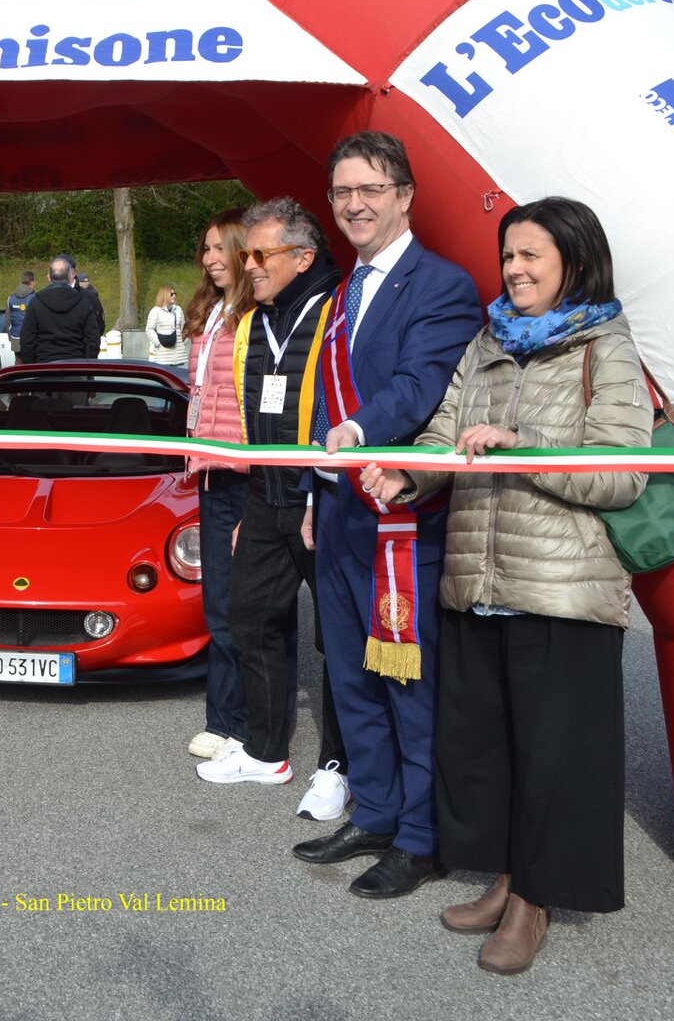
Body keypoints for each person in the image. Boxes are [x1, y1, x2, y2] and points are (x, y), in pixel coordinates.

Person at [359, 196, 649, 974]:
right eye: (508, 256)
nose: (514, 270)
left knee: (556, 757)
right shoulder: (488, 340)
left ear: (575, 263)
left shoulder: (607, 347)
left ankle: (536, 901)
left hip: (562, 589)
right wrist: (409, 476)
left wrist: (521, 445)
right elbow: (445, 433)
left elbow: (623, 474)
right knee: (491, 747)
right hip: (477, 579)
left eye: (530, 257)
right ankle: (511, 877)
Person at [290, 131, 482, 898]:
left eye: (370, 188)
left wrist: (361, 427)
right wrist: (314, 492)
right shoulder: (343, 292)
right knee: (351, 680)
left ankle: (421, 837)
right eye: (342, 192)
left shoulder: (443, 285)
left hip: (402, 517)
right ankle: (374, 811)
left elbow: (420, 384)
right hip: (340, 514)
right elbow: (321, 402)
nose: (355, 204)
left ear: (405, 195)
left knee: (409, 686)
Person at [194, 198, 350, 823]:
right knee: (249, 615)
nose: (249, 264)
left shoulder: (338, 310)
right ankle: (265, 751)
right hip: (264, 495)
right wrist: (249, 505)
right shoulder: (255, 320)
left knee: (338, 638)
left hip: (323, 498)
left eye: (261, 254)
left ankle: (338, 765)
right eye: (247, 253)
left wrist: (315, 490)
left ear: (302, 257)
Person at [183, 209, 257, 767]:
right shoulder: (209, 312)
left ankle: (244, 724)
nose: (209, 259)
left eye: (218, 248)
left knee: (243, 605)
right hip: (209, 471)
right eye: (204, 250)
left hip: (245, 474)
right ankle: (223, 718)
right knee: (218, 603)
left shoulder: (256, 315)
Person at [23, 255, 102, 363]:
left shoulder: (36, 303)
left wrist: (32, 367)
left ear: (49, 277)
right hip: (76, 365)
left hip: (44, 366)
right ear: (70, 278)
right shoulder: (83, 303)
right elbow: (92, 340)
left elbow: (27, 340)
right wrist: (86, 365)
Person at [144, 284, 188, 373]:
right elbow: (149, 329)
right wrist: (158, 343)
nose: (174, 296)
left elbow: (183, 328)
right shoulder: (156, 311)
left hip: (179, 357)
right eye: (171, 294)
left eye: (175, 294)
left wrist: (183, 342)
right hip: (163, 358)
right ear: (164, 295)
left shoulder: (178, 310)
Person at [7, 270, 35, 361]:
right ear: (32, 282)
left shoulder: (10, 299)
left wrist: (11, 337)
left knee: (18, 363)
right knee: (31, 365)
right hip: (31, 339)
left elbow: (7, 320)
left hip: (15, 337)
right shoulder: (34, 298)